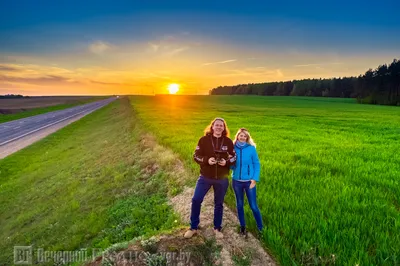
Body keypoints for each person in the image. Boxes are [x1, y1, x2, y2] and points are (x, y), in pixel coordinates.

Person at [184, 117, 236, 239]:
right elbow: (195, 156)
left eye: (221, 125)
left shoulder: (228, 142)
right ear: (212, 127)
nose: (218, 127)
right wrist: (207, 160)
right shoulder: (203, 140)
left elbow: (234, 158)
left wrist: (226, 162)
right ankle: (193, 227)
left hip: (222, 179)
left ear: (224, 128)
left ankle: (217, 228)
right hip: (205, 177)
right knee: (196, 199)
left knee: (219, 203)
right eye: (216, 125)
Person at [231, 128, 263, 237]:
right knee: (239, 204)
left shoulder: (251, 149)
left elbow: (256, 164)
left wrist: (254, 179)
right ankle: (242, 226)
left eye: (245, 136)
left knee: (253, 206)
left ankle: (260, 228)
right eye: (241, 135)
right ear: (237, 136)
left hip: (249, 182)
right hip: (236, 181)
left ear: (247, 138)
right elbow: (231, 164)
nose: (242, 137)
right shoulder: (233, 148)